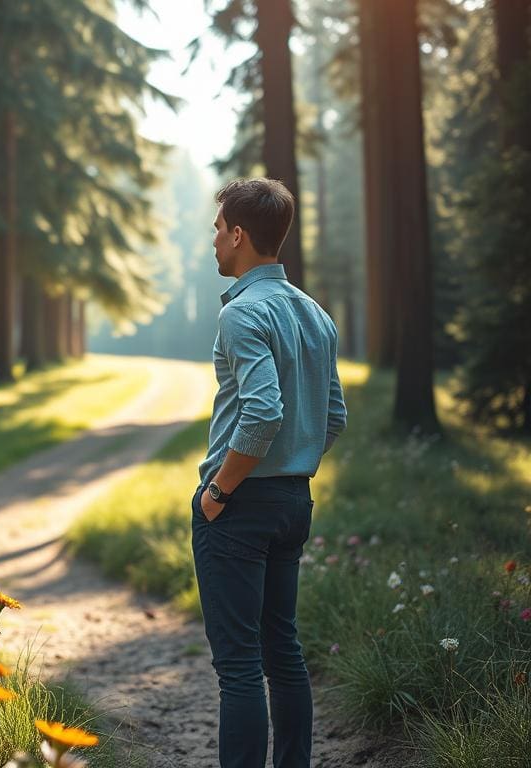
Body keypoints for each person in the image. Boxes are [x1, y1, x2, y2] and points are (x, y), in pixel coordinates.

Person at [191, 177, 347, 768]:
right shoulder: (315, 314)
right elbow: (332, 416)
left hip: (237, 505)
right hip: (291, 503)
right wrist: (292, 466)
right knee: (283, 652)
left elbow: (261, 412)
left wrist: (219, 490)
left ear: (238, 233)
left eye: (216, 229)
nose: (212, 241)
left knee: (237, 667)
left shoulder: (242, 315)